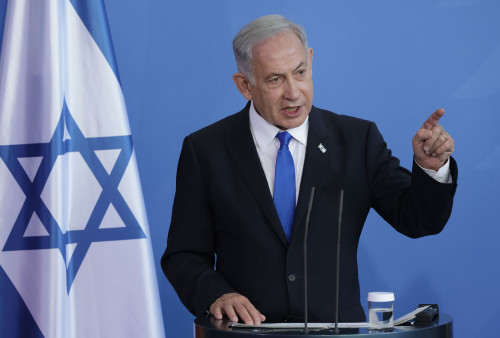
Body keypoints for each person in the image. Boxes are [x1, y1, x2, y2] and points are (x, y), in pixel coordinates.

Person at [161, 14, 457, 325]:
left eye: (300, 72)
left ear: (311, 61)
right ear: (245, 85)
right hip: (246, 334)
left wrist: (431, 170)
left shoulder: (357, 140)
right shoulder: (206, 150)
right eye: (275, 79)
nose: (293, 92)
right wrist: (217, 295)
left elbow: (419, 221)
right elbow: (184, 255)